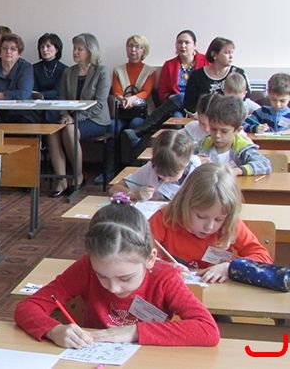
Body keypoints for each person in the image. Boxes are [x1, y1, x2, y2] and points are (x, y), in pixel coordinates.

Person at [15, 197, 219, 348]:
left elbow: (208, 330)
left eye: (125, 278)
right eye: (101, 276)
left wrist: (135, 332)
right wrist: (54, 330)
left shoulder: (165, 277)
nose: (113, 288)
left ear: (150, 259)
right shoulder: (86, 268)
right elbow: (27, 307)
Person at [150, 163, 273, 282]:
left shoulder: (229, 224)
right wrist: (164, 269)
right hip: (171, 288)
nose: (209, 227)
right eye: (201, 216)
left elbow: (263, 257)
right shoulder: (165, 219)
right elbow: (140, 256)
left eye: (218, 219)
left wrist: (230, 267)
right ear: (185, 204)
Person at [48, 33, 111, 197]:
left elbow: (99, 104)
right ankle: (61, 179)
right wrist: (64, 115)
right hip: (70, 118)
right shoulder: (68, 72)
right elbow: (62, 99)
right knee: (52, 133)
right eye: (74, 48)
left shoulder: (102, 71)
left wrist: (74, 119)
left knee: (70, 130)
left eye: (79, 49)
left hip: (95, 119)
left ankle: (78, 176)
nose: (75, 52)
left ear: (90, 51)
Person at [122, 30, 208, 150]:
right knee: (177, 115)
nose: (183, 46)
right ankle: (175, 153)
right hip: (175, 106)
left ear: (195, 45)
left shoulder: (206, 62)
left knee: (181, 96)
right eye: (179, 42)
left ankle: (140, 130)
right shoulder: (169, 65)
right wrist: (169, 97)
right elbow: (162, 92)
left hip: (197, 106)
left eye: (187, 42)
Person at [99, 35, 157, 183]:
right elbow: (117, 91)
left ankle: (133, 171)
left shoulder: (150, 71)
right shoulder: (117, 70)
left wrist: (132, 99)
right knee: (112, 127)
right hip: (121, 112)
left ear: (144, 51)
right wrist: (123, 99)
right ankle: (109, 171)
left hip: (141, 112)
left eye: (138, 47)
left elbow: (146, 92)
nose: (133, 50)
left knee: (135, 125)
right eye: (130, 46)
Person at [109, 130, 200, 201]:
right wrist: (134, 194)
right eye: (160, 175)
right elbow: (114, 189)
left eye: (171, 175)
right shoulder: (151, 168)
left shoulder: (197, 171)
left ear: (186, 163)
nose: (165, 179)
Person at [197, 95, 271, 176]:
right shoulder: (204, 144)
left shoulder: (242, 148)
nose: (217, 135)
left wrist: (238, 171)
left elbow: (265, 164)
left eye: (224, 131)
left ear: (237, 130)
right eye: (213, 129)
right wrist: (195, 161)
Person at [182, 37, 250, 116]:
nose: (231, 56)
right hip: (203, 118)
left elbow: (246, 97)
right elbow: (189, 104)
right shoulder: (197, 75)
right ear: (214, 54)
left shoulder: (239, 73)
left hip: (232, 117)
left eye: (232, 52)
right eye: (226, 53)